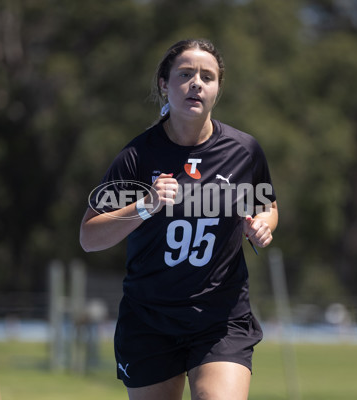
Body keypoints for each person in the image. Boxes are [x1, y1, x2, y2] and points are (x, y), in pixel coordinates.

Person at [80, 38, 278, 400]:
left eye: (207, 76)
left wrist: (264, 225)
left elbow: (267, 204)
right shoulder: (136, 156)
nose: (196, 83)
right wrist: (145, 205)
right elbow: (89, 237)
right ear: (164, 84)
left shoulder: (244, 150)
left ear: (218, 87)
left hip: (220, 318)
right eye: (185, 74)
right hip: (149, 320)